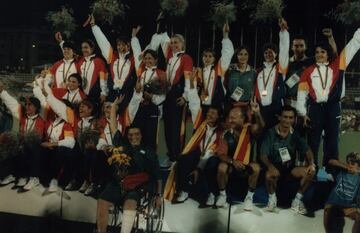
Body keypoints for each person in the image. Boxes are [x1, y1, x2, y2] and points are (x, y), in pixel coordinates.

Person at [96, 98, 162, 233]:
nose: (133, 137)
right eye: (131, 135)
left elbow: (157, 174)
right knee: (102, 201)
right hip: (117, 184)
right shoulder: (122, 144)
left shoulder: (149, 151)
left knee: (130, 204)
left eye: (137, 134)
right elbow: (114, 126)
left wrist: (159, 195)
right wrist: (114, 106)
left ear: (141, 136)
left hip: (137, 187)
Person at [297, 28, 360, 168]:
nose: (319, 54)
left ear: (328, 54)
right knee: (313, 141)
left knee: (332, 141)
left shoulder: (338, 65)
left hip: (333, 108)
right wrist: (302, 113)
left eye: (323, 52)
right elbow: (301, 95)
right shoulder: (307, 71)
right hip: (315, 109)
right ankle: (312, 168)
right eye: (317, 52)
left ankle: (330, 170)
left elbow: (354, 44)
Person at [149, 15, 194, 162]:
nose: (173, 45)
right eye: (172, 43)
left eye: (177, 43)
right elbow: (163, 37)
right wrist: (161, 20)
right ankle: (171, 154)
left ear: (183, 45)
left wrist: (186, 97)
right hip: (167, 93)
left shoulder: (186, 58)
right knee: (167, 125)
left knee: (175, 127)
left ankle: (176, 156)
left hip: (177, 92)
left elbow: (188, 78)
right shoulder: (169, 56)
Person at [260, 105, 315, 214]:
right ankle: (272, 200)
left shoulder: (295, 134)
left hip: (290, 167)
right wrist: (270, 167)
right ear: (279, 117)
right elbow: (263, 155)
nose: (287, 120)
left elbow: (307, 150)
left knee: (310, 172)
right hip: (274, 165)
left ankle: (297, 201)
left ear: (294, 119)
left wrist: (311, 163)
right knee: (269, 175)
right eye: (285, 117)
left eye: (291, 118)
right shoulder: (270, 133)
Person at [214, 99, 264, 210]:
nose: (230, 120)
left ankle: (249, 198)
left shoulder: (249, 130)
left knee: (256, 167)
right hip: (232, 165)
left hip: (247, 165)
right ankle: (222, 196)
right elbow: (221, 154)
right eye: (229, 118)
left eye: (233, 118)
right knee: (221, 167)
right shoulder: (226, 134)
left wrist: (257, 113)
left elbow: (260, 127)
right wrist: (232, 161)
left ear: (242, 119)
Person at [0, 81, 46, 191]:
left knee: (30, 147)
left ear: (36, 108)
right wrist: (1, 91)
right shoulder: (23, 117)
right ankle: (13, 175)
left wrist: (37, 86)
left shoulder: (41, 120)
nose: (27, 107)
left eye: (30, 105)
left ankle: (33, 178)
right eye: (26, 105)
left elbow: (37, 137)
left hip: (36, 145)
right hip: (23, 143)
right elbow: (11, 103)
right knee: (9, 144)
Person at [128, 26, 167, 150]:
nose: (147, 60)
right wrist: (134, 38)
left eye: (150, 58)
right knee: (138, 135)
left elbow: (163, 94)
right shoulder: (140, 71)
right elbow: (136, 52)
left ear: (156, 60)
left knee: (150, 137)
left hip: (153, 108)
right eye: (145, 58)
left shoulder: (161, 73)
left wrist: (152, 97)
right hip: (140, 107)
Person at [90, 15, 137, 107]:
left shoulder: (133, 58)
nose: (120, 47)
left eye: (123, 45)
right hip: (112, 93)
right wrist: (94, 26)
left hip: (126, 94)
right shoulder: (112, 56)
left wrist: (134, 37)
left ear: (129, 46)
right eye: (119, 45)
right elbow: (102, 41)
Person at [285, 29, 338, 109]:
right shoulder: (285, 63)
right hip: (288, 102)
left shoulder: (311, 61)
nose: (298, 48)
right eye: (296, 46)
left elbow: (333, 55)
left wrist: (330, 37)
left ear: (306, 47)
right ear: (292, 47)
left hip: (305, 102)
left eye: (301, 46)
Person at [55, 33, 108, 103]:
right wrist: (61, 42)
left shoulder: (99, 61)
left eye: (86, 47)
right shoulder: (80, 61)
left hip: (95, 95)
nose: (83, 50)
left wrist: (104, 93)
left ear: (92, 48)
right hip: (81, 95)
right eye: (82, 48)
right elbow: (69, 53)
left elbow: (103, 79)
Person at [195, 23, 234, 113]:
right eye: (205, 56)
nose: (207, 58)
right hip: (200, 106)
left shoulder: (219, 69)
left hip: (215, 106)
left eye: (210, 56)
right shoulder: (198, 71)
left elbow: (227, 53)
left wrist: (225, 36)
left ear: (214, 59)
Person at [323, 152, 360, 233]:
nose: (349, 165)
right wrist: (345, 167)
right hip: (334, 204)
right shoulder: (341, 172)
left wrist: (356, 208)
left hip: (348, 207)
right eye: (348, 163)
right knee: (327, 211)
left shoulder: (358, 178)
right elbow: (331, 161)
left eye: (353, 163)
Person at [225, 45, 257, 111]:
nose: (243, 57)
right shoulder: (230, 70)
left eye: (246, 54)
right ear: (237, 56)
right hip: (231, 105)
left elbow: (254, 89)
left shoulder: (253, 72)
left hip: (246, 106)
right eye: (240, 54)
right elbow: (225, 85)